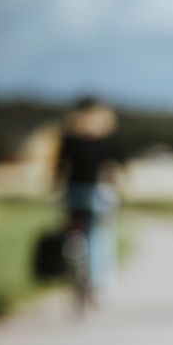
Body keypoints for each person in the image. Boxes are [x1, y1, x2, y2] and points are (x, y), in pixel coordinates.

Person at [54, 97, 123, 294]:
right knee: (97, 234)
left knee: (72, 225)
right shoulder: (107, 138)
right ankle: (97, 278)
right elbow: (116, 168)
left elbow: (61, 166)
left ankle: (72, 251)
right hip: (98, 192)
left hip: (73, 191)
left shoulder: (69, 137)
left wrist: (57, 189)